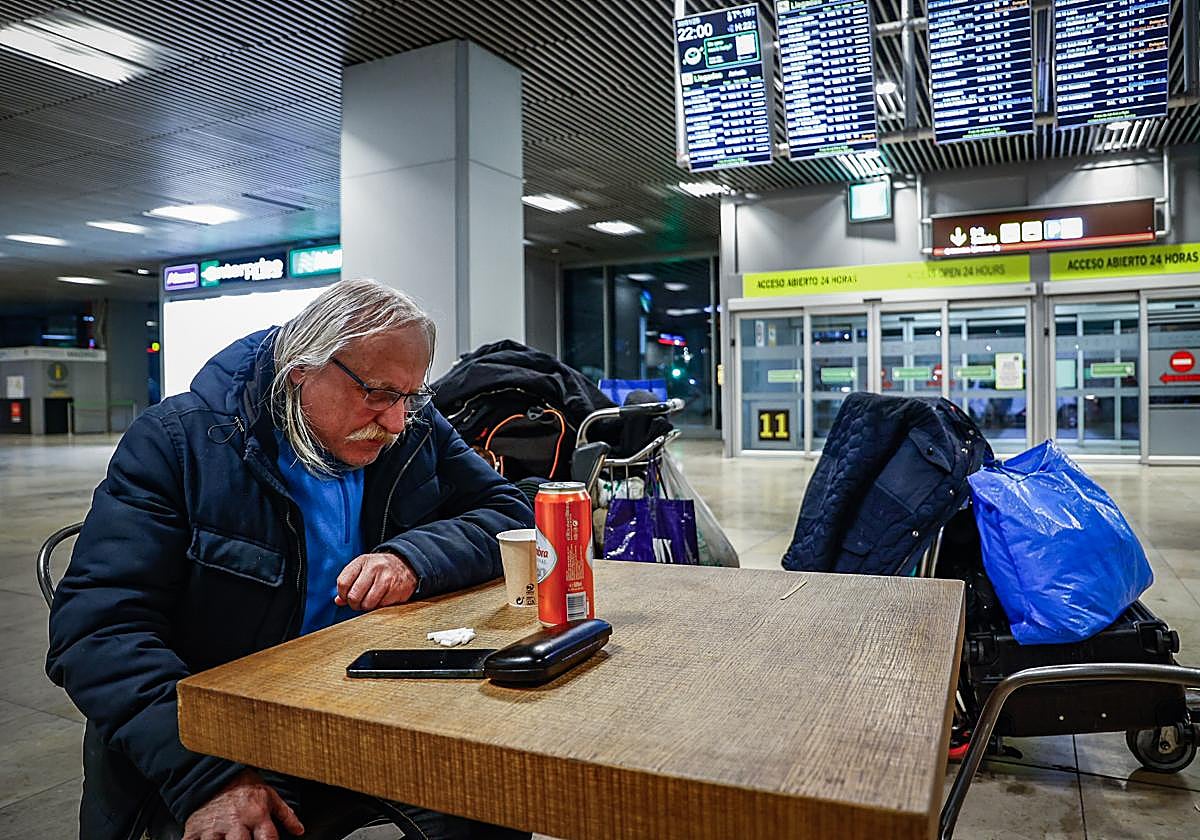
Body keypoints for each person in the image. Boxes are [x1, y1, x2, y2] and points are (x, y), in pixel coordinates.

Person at [47, 279, 535, 840]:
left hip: (374, 700)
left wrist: (413, 557)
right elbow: (96, 630)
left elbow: (508, 512)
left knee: (504, 790)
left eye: (410, 396)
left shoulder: (411, 426)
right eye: (378, 394)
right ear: (302, 369)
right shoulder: (178, 443)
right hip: (226, 736)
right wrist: (207, 776)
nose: (397, 421)